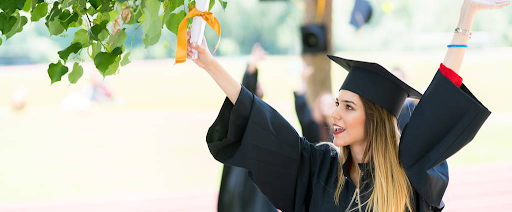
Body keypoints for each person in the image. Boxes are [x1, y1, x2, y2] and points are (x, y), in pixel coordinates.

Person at [186, 1, 507, 211]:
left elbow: (440, 100)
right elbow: (264, 122)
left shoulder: (408, 179)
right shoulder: (319, 165)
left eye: (349, 107)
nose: (334, 113)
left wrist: (467, 14)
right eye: (338, 103)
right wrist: (210, 64)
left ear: (375, 121)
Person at [217, 43, 277, 212]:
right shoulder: (245, 114)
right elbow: (245, 94)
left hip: (253, 181)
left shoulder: (260, 116)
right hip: (243, 179)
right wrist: (252, 66)